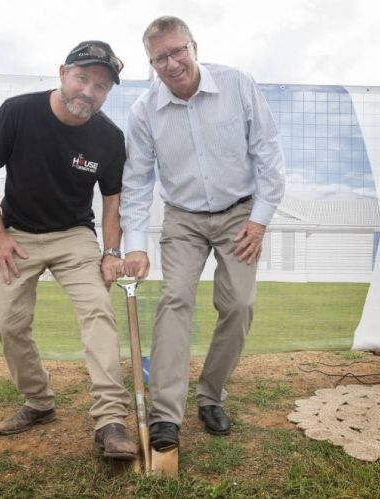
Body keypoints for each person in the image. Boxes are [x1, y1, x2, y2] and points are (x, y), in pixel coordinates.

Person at [120, 16, 286, 451]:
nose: (172, 63)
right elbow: (137, 183)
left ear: (194, 46)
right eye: (161, 57)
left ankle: (211, 395)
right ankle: (165, 414)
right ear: (150, 63)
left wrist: (260, 218)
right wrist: (135, 246)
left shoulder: (237, 84)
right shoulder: (143, 112)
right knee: (175, 299)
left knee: (239, 305)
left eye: (179, 51)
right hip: (183, 218)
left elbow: (267, 150)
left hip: (239, 214)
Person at [0, 40, 136, 459]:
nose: (89, 91)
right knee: (7, 323)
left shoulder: (109, 138)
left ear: (108, 93)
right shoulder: (18, 111)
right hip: (18, 234)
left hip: (74, 236)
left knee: (98, 311)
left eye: (100, 86)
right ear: (63, 72)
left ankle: (111, 421)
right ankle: (40, 402)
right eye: (82, 78)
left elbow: (112, 201)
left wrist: (111, 252)